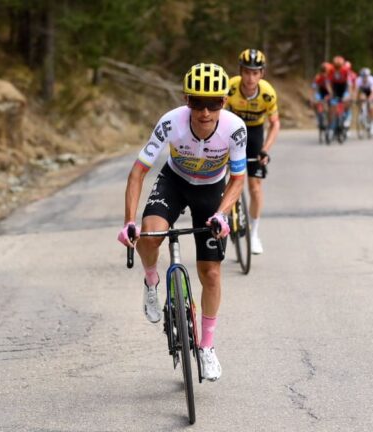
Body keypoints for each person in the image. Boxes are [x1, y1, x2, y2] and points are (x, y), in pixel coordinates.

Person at [118, 63, 247, 381]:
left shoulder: (235, 128)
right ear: (186, 101)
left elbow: (238, 178)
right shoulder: (170, 123)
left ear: (224, 103)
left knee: (211, 273)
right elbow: (138, 172)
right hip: (174, 182)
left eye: (213, 103)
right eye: (197, 103)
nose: (205, 111)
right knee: (150, 235)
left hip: (212, 190)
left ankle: (206, 347)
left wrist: (222, 212)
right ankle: (151, 281)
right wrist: (128, 222)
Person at [225, 49, 280, 255]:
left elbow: (275, 124)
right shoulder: (230, 88)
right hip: (233, 130)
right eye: (247, 72)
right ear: (240, 71)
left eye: (255, 73)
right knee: (224, 177)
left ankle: (254, 233)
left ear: (262, 74)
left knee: (255, 187)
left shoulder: (267, 93)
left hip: (255, 134)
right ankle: (226, 212)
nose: (250, 78)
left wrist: (265, 149)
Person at [355, 67, 373, 135]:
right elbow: (356, 90)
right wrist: (356, 99)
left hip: (370, 92)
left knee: (371, 106)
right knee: (362, 98)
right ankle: (362, 113)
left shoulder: (372, 80)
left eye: (365, 76)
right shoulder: (358, 80)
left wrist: (370, 99)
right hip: (363, 92)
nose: (364, 78)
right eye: (363, 77)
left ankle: (372, 122)